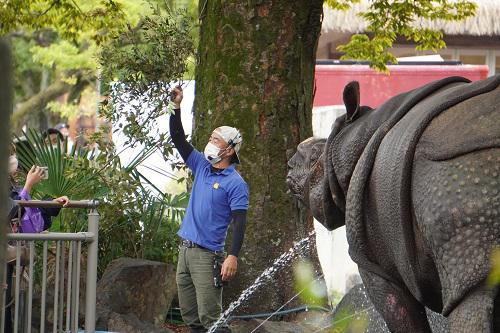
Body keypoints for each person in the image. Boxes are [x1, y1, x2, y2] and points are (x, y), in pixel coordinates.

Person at [169, 87, 249, 333]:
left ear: (230, 149)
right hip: (185, 251)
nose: (211, 143)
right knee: (191, 318)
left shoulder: (235, 183)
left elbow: (240, 223)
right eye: (211, 139)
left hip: (208, 255)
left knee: (211, 318)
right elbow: (178, 139)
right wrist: (176, 107)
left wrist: (232, 256)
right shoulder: (202, 166)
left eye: (217, 141)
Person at [5, 144, 69, 333]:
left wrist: (51, 204)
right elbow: (10, 211)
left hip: (14, 263)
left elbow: (29, 220)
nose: (12, 158)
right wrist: (28, 186)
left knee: (14, 315)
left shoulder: (10, 185)